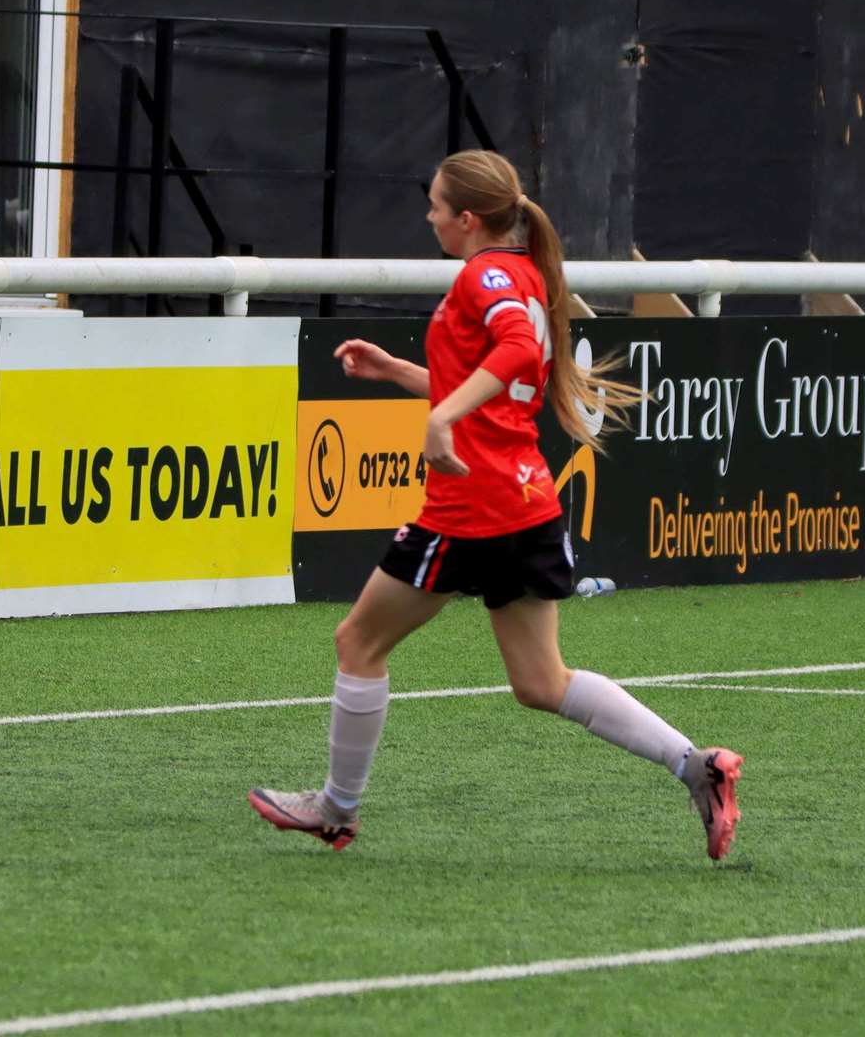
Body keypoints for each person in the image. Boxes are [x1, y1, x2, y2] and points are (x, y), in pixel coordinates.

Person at [249, 150, 743, 861]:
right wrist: (399, 374)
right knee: (543, 682)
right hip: (527, 504)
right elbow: (498, 380)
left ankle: (336, 807)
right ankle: (697, 766)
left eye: (437, 206)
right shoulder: (519, 274)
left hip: (469, 508)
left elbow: (510, 352)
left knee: (358, 643)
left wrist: (441, 417)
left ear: (468, 219)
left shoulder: (486, 274)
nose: (428, 216)